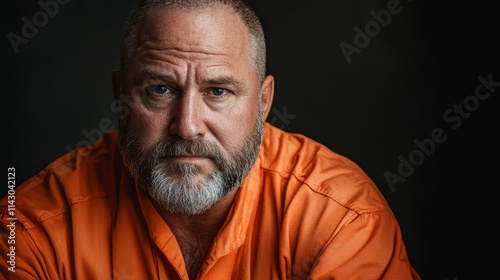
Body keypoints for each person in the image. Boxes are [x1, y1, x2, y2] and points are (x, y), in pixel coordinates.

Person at [0, 0, 421, 279]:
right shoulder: (31, 228)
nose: (187, 126)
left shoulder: (341, 220)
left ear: (263, 101)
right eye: (160, 89)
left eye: (218, 92)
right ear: (120, 95)